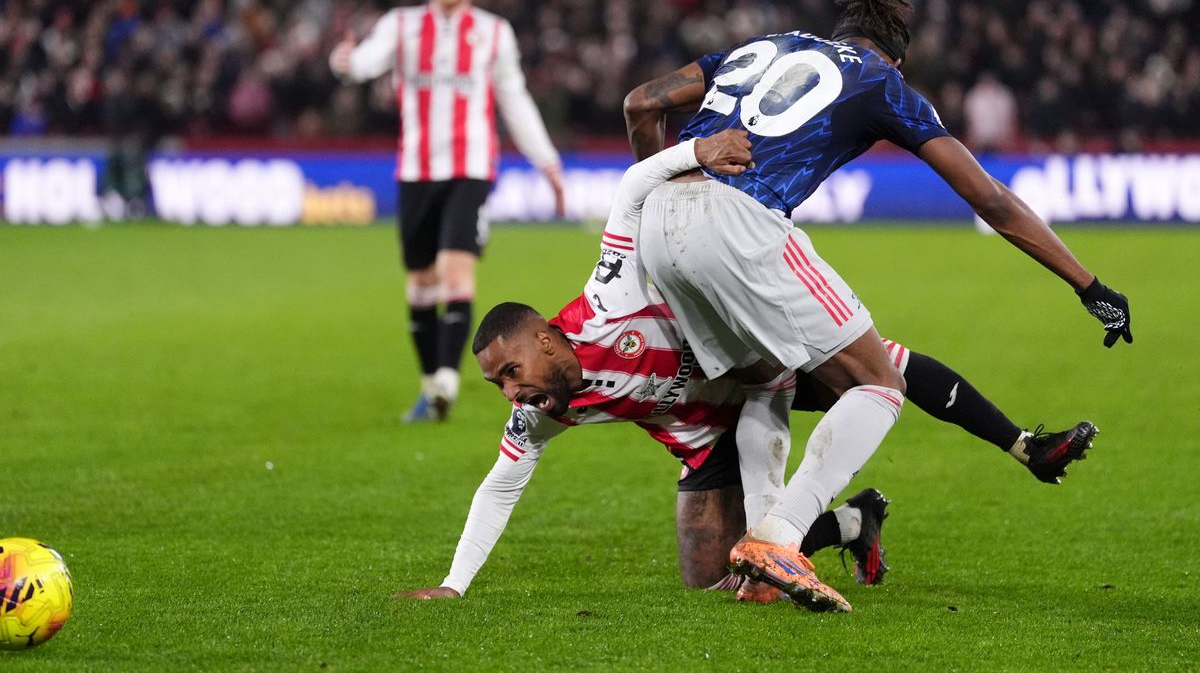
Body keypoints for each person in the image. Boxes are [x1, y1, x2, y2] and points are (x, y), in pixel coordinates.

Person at [397, 133, 1099, 606]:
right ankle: (854, 522)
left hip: (756, 368)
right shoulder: (541, 410)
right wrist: (454, 585)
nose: (511, 393)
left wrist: (696, 149)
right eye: (499, 385)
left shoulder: (610, 296)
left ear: (548, 340)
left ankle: (1023, 444)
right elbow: (499, 487)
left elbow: (634, 185)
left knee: (885, 367)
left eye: (512, 371)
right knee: (715, 578)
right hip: (706, 434)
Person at [621, 0, 1131, 610]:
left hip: (653, 224)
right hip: (741, 220)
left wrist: (655, 204)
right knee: (879, 381)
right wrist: (1090, 285)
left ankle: (767, 563)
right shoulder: (877, 79)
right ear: (896, 53)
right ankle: (779, 537)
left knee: (764, 378)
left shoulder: (760, 47)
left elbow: (643, 103)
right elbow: (991, 200)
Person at [330, 0, 565, 423]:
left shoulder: (494, 33)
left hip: (471, 169)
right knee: (420, 281)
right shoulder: (401, 25)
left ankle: (448, 383)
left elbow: (514, 99)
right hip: (416, 170)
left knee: (456, 271)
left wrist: (546, 161)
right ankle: (431, 384)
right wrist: (346, 63)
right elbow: (367, 62)